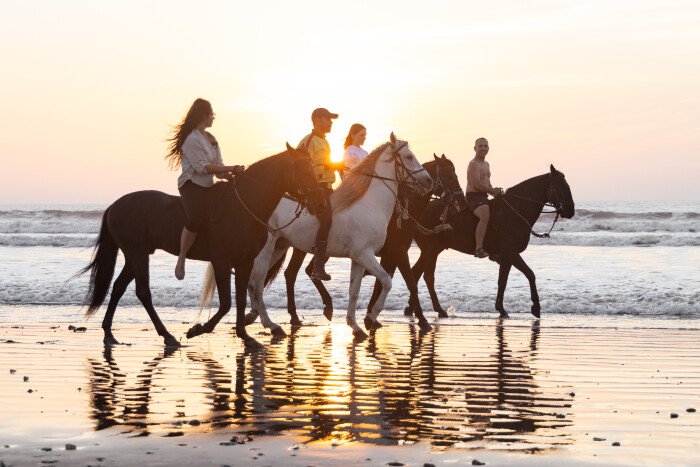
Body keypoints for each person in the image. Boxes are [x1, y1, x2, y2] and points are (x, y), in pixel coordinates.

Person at [165, 98, 244, 280]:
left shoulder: (211, 139)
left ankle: (224, 254)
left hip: (208, 185)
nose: (213, 118)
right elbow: (203, 168)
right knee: (195, 218)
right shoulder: (191, 139)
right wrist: (230, 168)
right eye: (212, 115)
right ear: (203, 116)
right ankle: (182, 257)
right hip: (192, 185)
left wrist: (231, 175)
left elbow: (219, 168)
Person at [298, 108, 343, 281]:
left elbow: (324, 164)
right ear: (317, 119)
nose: (331, 123)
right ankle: (317, 266)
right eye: (328, 119)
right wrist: (332, 166)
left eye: (331, 120)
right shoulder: (310, 141)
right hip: (315, 189)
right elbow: (305, 170)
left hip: (328, 186)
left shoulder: (324, 141)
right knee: (327, 220)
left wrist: (336, 166)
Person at [466, 137, 503, 258]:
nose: (483, 148)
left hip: (484, 195)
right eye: (480, 146)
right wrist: (492, 190)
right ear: (475, 148)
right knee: (485, 215)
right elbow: (477, 185)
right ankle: (479, 248)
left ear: (488, 148)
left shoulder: (486, 164)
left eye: (485, 146)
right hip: (474, 196)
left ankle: (493, 246)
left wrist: (495, 193)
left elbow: (487, 182)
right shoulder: (473, 164)